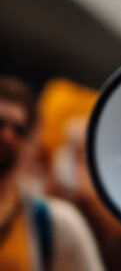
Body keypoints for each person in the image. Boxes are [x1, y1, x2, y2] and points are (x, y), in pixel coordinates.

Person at [0, 75, 103, 271]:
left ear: (29, 142)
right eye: (0, 123)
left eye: (19, 129)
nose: (7, 135)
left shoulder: (55, 224)